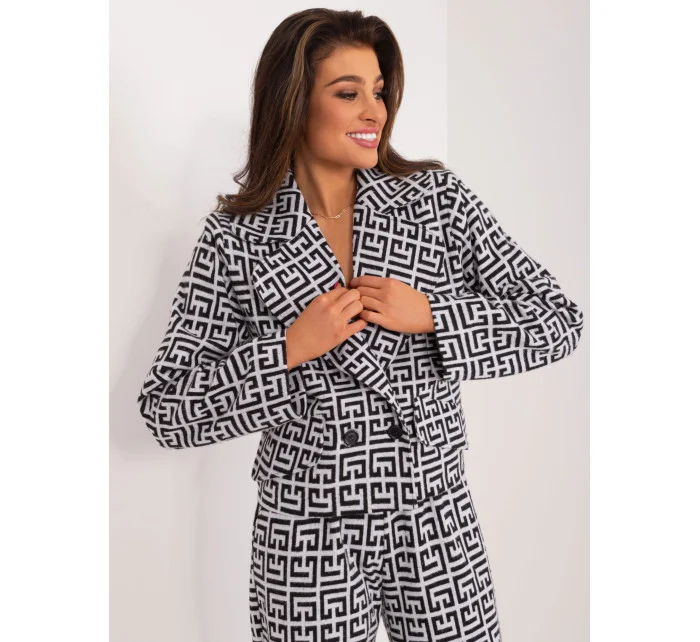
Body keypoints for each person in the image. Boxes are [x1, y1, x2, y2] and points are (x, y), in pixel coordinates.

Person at [136, 8, 584, 641]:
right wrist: (288, 349)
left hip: (433, 515)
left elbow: (557, 319)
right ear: (293, 103)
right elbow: (167, 410)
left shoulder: (435, 200)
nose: (375, 110)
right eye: (348, 93)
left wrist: (435, 316)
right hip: (306, 527)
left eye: (378, 90)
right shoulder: (237, 238)